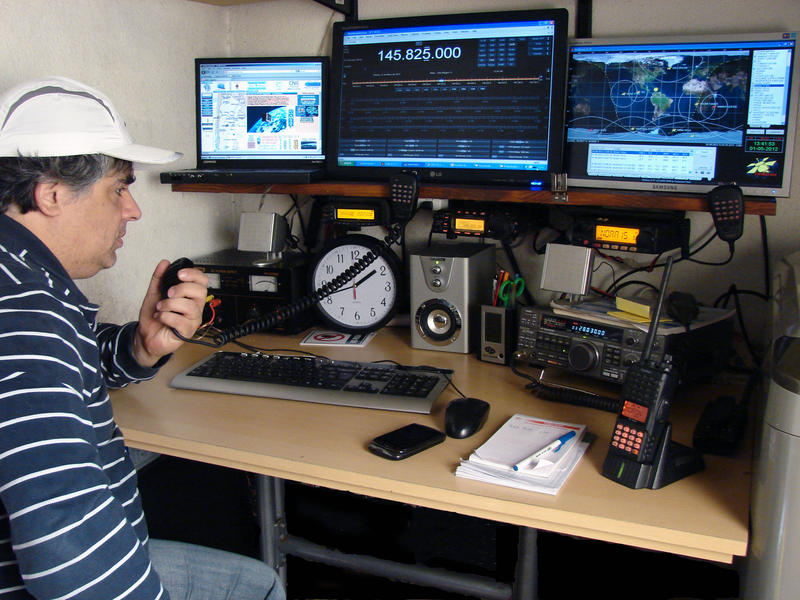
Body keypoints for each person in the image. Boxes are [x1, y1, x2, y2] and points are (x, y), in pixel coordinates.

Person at [0, 77, 285, 600]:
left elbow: (52, 370)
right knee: (257, 586)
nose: (133, 209)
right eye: (118, 188)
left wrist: (140, 346)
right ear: (53, 194)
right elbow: (70, 560)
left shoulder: (16, 275)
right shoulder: (26, 318)